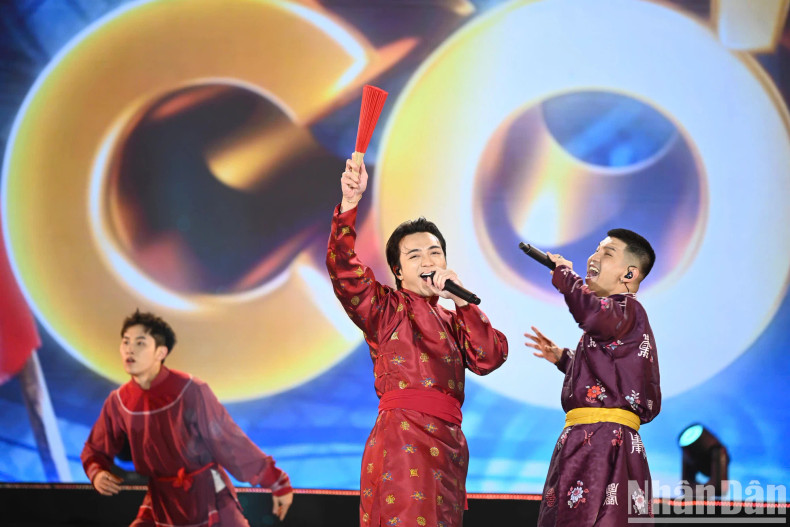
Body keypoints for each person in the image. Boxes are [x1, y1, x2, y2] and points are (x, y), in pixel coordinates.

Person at [326, 158, 508, 527]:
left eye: (435, 252)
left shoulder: (456, 319)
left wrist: (462, 302)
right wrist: (349, 205)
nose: (428, 260)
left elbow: (489, 357)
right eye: (415, 255)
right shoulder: (387, 308)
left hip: (451, 446)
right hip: (403, 439)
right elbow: (344, 269)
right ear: (398, 270)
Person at [81, 310, 293, 526]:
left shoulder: (191, 390)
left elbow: (229, 442)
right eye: (125, 342)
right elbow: (95, 449)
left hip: (207, 494)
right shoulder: (119, 401)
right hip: (162, 500)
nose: (129, 349)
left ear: (160, 352)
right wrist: (97, 473)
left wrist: (276, 481)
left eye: (140, 343)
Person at [525, 229, 660, 526]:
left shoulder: (626, 310)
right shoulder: (617, 321)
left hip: (602, 442)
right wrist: (565, 359)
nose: (593, 257)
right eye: (596, 250)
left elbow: (592, 315)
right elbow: (612, 376)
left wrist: (565, 276)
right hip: (590, 437)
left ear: (629, 274)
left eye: (607, 253)